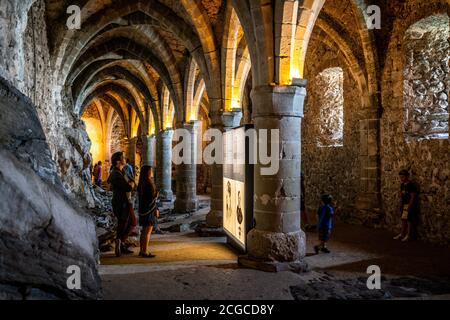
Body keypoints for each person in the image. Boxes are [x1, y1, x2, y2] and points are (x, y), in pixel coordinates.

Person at [107, 152, 136, 257]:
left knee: (130, 222)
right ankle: (119, 242)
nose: (125, 158)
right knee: (125, 222)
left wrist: (131, 184)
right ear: (118, 161)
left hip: (126, 200)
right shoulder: (116, 173)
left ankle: (121, 242)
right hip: (121, 202)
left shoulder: (122, 171)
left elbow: (132, 183)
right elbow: (128, 186)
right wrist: (131, 184)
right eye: (123, 157)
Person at [137, 165, 159, 258]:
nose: (152, 172)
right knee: (147, 231)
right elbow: (151, 199)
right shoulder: (149, 184)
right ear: (148, 173)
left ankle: (142, 250)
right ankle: (145, 251)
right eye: (151, 170)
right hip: (149, 210)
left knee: (144, 231)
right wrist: (156, 208)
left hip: (143, 209)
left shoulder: (142, 183)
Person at [394, 169, 419, 242]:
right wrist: (401, 202)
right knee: (404, 219)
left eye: (403, 177)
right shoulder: (402, 185)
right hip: (404, 204)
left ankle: (408, 235)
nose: (401, 178)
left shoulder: (411, 185)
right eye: (400, 177)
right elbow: (401, 194)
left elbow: (412, 196)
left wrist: (409, 206)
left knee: (409, 220)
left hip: (409, 205)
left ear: (407, 176)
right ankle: (402, 234)